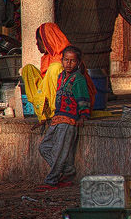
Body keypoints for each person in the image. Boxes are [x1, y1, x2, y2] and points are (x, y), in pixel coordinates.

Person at [37, 46, 91, 190]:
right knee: (44, 147)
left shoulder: (78, 78)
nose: (68, 63)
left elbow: (83, 97)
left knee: (60, 151)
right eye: (66, 60)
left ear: (78, 62)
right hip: (57, 118)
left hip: (69, 121)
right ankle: (67, 171)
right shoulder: (61, 76)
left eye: (72, 61)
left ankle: (52, 180)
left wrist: (83, 115)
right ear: (62, 60)